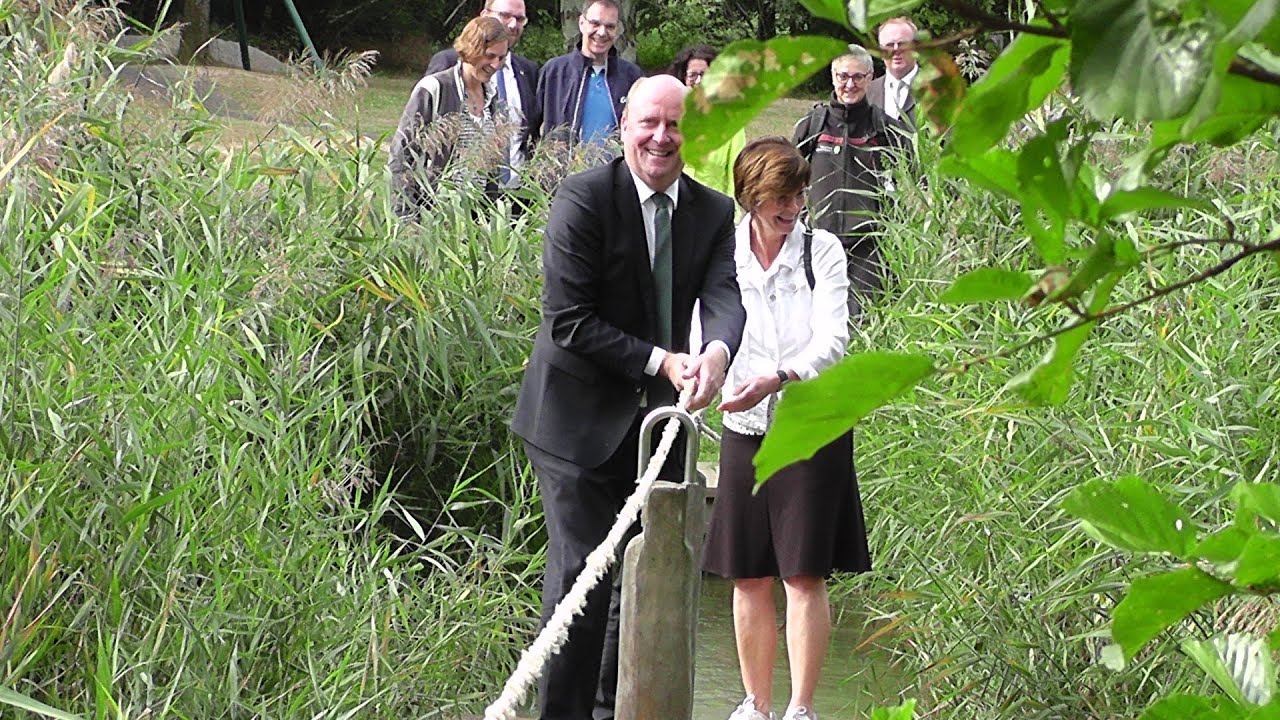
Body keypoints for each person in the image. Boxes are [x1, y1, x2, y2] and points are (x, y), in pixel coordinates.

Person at [511, 74, 746, 720]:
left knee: (647, 585)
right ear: (625, 127)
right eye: (649, 123)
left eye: (674, 125)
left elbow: (725, 298)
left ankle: (620, 709)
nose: (662, 138)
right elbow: (568, 320)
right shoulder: (583, 199)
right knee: (581, 579)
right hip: (575, 425)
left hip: (657, 426)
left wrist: (717, 354)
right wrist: (662, 360)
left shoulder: (714, 212)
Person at [702, 136, 871, 720]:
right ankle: (755, 705)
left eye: (799, 194)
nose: (793, 206)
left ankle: (800, 709)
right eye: (781, 195)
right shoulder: (721, 254)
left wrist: (779, 377)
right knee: (746, 571)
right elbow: (706, 329)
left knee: (803, 572)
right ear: (751, 194)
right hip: (741, 422)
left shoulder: (821, 250)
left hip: (809, 423)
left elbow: (834, 340)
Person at [792, 46, 912, 317]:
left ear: (870, 78)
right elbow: (786, 179)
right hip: (818, 240)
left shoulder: (886, 128)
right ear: (833, 76)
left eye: (858, 77)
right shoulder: (814, 125)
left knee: (864, 322)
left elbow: (917, 180)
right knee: (814, 320)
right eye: (843, 76)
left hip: (869, 246)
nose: (849, 84)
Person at [389, 17, 510, 216]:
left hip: (474, 222)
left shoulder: (493, 96)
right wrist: (406, 217)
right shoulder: (434, 88)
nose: (496, 65)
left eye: (502, 58)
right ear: (472, 49)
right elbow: (401, 155)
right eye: (490, 56)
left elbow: (491, 168)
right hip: (431, 216)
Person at [426, 0, 540, 186]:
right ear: (484, 15)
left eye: (519, 19)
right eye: (505, 15)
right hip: (456, 193)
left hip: (517, 195)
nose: (512, 24)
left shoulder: (529, 71)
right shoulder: (448, 64)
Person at [534, 0, 643, 148]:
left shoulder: (631, 76)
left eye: (610, 26)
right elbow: (532, 128)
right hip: (566, 170)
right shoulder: (554, 72)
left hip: (615, 170)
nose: (602, 32)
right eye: (595, 23)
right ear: (581, 23)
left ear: (617, 30)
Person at [669, 44, 745, 198]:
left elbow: (736, 176)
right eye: (692, 75)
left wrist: (732, 216)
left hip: (714, 210)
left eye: (705, 75)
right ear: (683, 78)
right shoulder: (669, 119)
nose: (698, 81)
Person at [866, 17, 919, 129]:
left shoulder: (937, 90)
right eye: (889, 45)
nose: (895, 50)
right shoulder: (867, 92)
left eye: (902, 44)